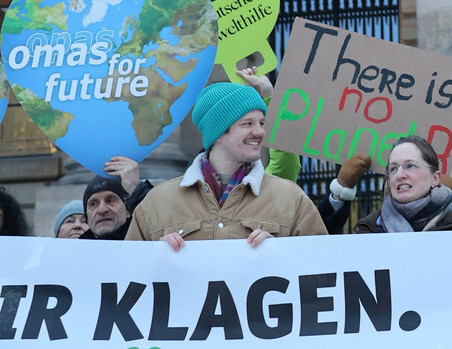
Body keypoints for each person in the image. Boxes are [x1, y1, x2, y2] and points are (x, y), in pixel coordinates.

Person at [126, 82, 328, 250]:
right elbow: (127, 279)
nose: (259, 133)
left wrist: (280, 256)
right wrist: (153, 258)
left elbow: (324, 272)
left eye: (262, 123)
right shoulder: (157, 202)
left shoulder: (292, 198)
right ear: (219, 133)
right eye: (247, 124)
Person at [355, 136, 452, 232]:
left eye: (410, 166)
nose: (399, 175)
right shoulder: (368, 231)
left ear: (435, 178)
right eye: (393, 168)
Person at [81, 156, 152, 240]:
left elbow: (158, 224)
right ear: (87, 218)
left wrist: (137, 190)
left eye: (110, 200)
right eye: (93, 204)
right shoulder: (71, 251)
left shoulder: (152, 242)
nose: (102, 210)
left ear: (127, 211)